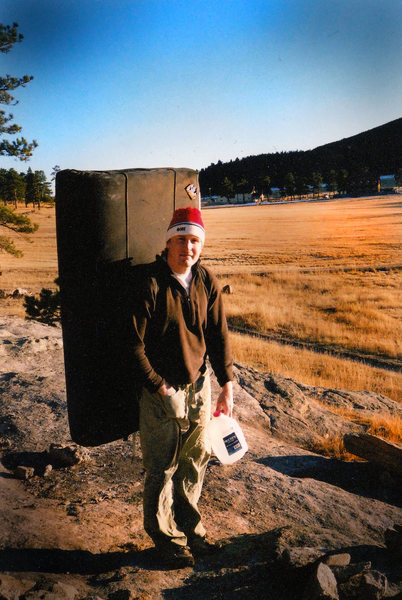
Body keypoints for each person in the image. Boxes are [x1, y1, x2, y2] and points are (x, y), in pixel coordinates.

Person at [131, 206, 233, 567]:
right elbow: (132, 345)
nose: (187, 248)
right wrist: (160, 388)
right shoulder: (151, 283)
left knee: (195, 459)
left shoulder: (206, 280)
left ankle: (192, 531)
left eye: (194, 241)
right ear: (168, 243)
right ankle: (166, 539)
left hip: (199, 386)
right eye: (180, 239)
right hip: (162, 392)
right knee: (162, 466)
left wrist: (227, 383)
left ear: (200, 246)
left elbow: (218, 336)